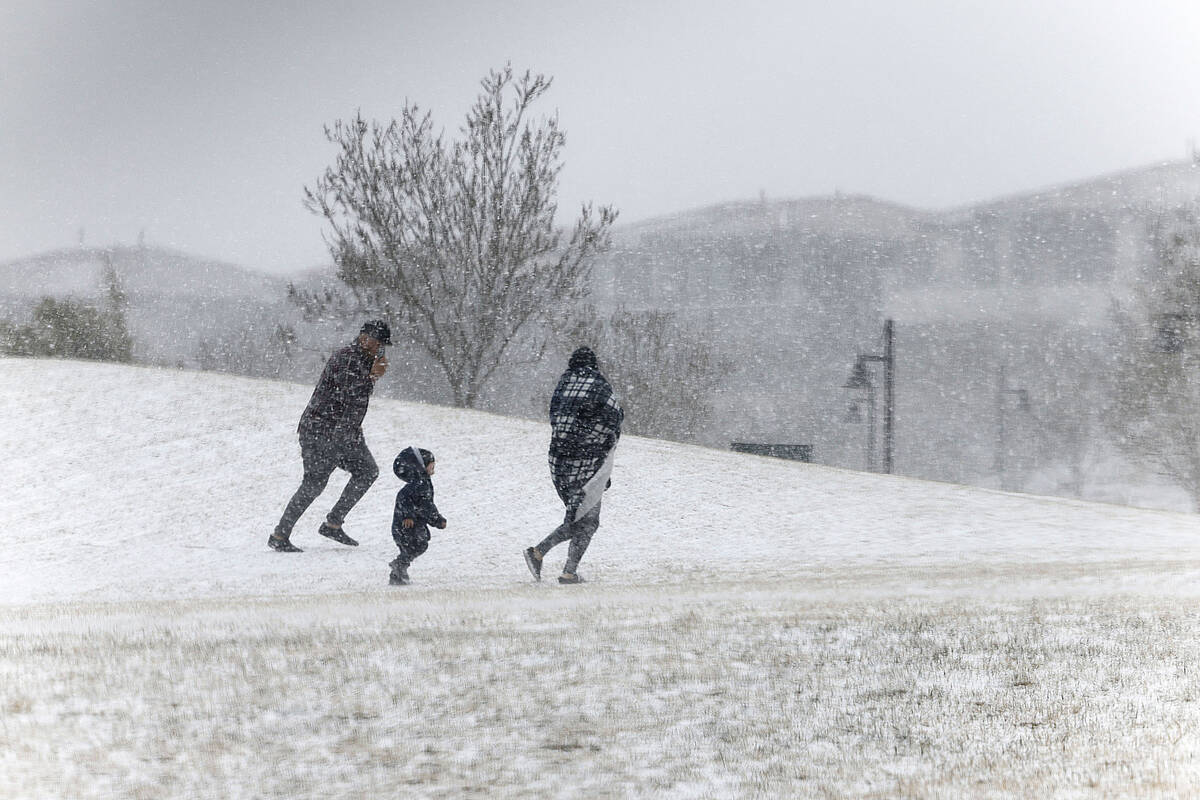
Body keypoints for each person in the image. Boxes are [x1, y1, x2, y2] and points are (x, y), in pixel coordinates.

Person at [269, 320, 391, 553]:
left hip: (344, 433)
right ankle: (280, 534)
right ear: (365, 338)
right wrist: (372, 377)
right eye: (379, 343)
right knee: (314, 482)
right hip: (321, 431)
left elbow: (354, 401)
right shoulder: (346, 358)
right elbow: (350, 393)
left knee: (367, 472)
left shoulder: (363, 361)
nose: (380, 349)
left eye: (383, 346)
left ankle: (333, 523)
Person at [524, 346, 623, 584]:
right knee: (586, 519)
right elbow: (615, 417)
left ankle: (558, 564)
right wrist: (600, 445)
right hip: (587, 461)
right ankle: (549, 559)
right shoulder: (598, 385)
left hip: (560, 461)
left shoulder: (563, 385)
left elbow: (556, 419)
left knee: (580, 515)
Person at [388, 446, 447, 585]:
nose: (433, 469)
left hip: (411, 525)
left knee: (413, 547)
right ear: (421, 466)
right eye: (431, 466)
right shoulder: (418, 484)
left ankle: (398, 574)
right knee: (417, 545)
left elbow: (427, 506)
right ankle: (398, 566)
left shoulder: (422, 482)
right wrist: (409, 516)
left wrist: (436, 519)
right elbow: (405, 498)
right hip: (407, 525)